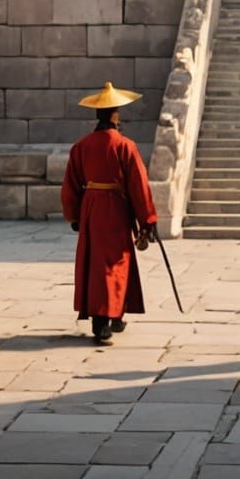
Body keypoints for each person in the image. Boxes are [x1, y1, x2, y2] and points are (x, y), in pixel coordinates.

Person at [62, 82, 159, 346]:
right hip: (116, 208)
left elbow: (70, 184)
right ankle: (103, 322)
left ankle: (113, 316)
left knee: (96, 264)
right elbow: (138, 186)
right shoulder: (125, 145)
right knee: (115, 264)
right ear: (115, 115)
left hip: (91, 208)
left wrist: (74, 215)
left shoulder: (81, 146)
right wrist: (147, 219)